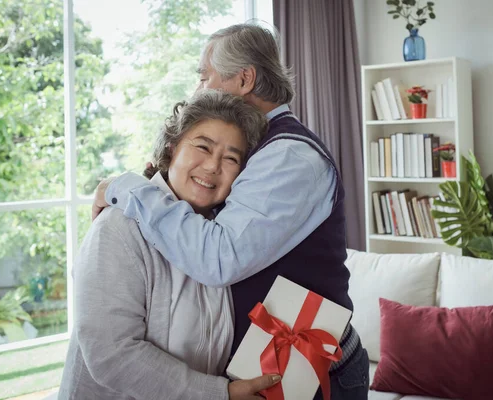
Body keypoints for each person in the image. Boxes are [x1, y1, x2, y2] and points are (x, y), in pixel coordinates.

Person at [93, 23, 370, 399]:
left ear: (244, 79)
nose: (197, 91)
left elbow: (219, 258)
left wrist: (125, 187)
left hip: (312, 375)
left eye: (204, 77)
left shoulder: (289, 157)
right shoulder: (258, 149)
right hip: (268, 372)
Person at [58, 90, 280, 400]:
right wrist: (220, 394)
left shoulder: (222, 238)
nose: (213, 166)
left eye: (231, 158)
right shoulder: (118, 228)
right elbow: (112, 356)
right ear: (171, 148)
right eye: (203, 146)